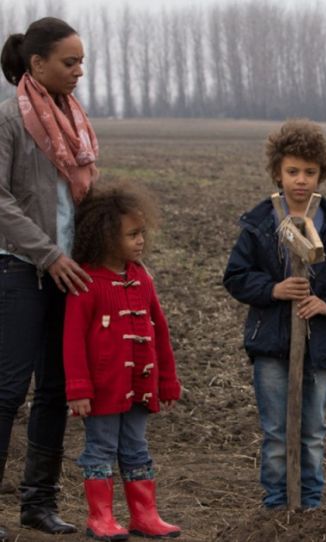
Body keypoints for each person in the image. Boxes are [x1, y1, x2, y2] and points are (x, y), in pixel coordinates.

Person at [223, 120, 326, 509]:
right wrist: (273, 289)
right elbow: (235, 276)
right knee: (276, 432)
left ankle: (310, 504)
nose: (301, 180)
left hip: (319, 346)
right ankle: (276, 505)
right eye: (292, 171)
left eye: (309, 172)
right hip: (271, 344)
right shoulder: (259, 224)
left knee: (313, 432)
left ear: (322, 174)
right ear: (278, 172)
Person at [0, 17, 98, 535]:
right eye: (69, 62)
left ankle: (38, 504)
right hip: (19, 271)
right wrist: (46, 254)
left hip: (68, 275)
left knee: (56, 390)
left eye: (81, 61)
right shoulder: (8, 121)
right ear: (37, 64)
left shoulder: (74, 120)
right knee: (7, 391)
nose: (79, 71)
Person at [63, 184, 182, 540]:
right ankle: (100, 518)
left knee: (137, 448)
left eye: (142, 232)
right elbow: (72, 341)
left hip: (140, 387)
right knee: (100, 449)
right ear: (105, 237)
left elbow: (160, 331)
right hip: (102, 390)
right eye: (132, 234)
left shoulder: (142, 278)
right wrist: (78, 389)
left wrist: (167, 382)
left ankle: (144, 516)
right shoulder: (86, 283)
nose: (141, 240)